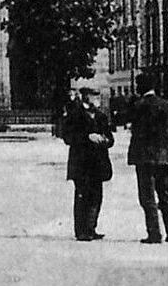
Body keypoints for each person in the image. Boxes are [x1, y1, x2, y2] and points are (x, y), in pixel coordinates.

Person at [127, 76, 168, 244]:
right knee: (165, 194)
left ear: (142, 87)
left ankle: (154, 233)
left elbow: (134, 130)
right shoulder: (166, 105)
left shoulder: (138, 106)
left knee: (147, 197)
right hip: (164, 157)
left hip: (145, 157)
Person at [63, 87, 114, 241]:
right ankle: (81, 231)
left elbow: (111, 139)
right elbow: (67, 137)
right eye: (94, 96)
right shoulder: (75, 115)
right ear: (86, 97)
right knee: (82, 196)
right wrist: (87, 137)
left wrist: (104, 140)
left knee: (96, 196)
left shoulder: (101, 117)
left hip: (98, 163)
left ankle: (91, 228)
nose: (97, 100)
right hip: (81, 163)